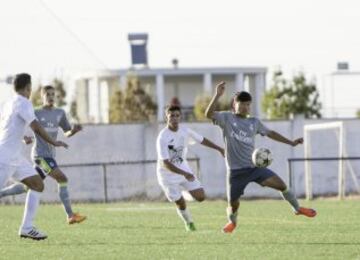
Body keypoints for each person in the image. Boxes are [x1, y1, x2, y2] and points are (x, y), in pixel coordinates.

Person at [205, 81, 317, 233]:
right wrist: (217, 95)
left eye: (248, 104)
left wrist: (291, 142)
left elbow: (270, 133)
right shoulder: (226, 118)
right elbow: (208, 114)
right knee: (233, 204)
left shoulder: (254, 122)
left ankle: (297, 208)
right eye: (242, 103)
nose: (245, 107)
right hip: (236, 172)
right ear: (234, 104)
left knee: (282, 185)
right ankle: (232, 222)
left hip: (254, 168)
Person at [0, 85, 86, 225]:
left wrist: (74, 131)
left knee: (30, 185)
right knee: (62, 178)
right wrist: (24, 139)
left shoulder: (60, 113)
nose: (51, 97)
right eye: (48, 94)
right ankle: (70, 215)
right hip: (40, 156)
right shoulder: (35, 112)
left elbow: (66, 132)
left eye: (53, 94)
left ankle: (1, 193)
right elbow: (17, 127)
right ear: (42, 97)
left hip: (50, 156)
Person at [0, 73, 68, 240]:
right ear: (28, 88)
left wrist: (22, 138)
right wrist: (54, 141)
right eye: (30, 88)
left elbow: (9, 127)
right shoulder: (24, 103)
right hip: (5, 158)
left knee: (37, 184)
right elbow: (36, 127)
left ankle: (27, 227)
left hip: (14, 157)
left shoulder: (9, 103)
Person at [156, 105, 224, 231]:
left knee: (201, 197)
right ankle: (189, 223)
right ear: (166, 117)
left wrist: (219, 149)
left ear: (180, 117)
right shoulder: (162, 137)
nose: (175, 118)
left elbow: (201, 140)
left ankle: (185, 192)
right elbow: (165, 163)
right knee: (180, 203)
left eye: (177, 115)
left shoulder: (185, 131)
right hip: (167, 175)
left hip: (183, 169)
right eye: (172, 116)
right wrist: (184, 174)